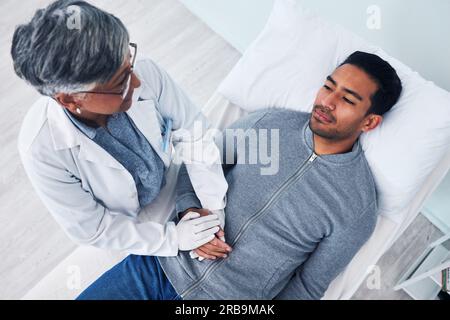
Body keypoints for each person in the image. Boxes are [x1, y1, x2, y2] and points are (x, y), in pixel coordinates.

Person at [77, 51, 402, 300]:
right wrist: (190, 211)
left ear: (369, 122)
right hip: (160, 267)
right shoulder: (269, 124)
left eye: (346, 99)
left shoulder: (356, 207)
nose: (326, 102)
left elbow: (307, 286)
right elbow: (199, 157)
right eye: (328, 86)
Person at [12, 0, 229, 256]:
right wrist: (171, 239)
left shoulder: (143, 72)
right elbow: (94, 228)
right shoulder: (41, 148)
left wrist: (212, 211)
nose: (136, 82)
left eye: (129, 64)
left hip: (172, 180)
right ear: (70, 99)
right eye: (120, 82)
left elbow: (196, 135)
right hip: (133, 223)